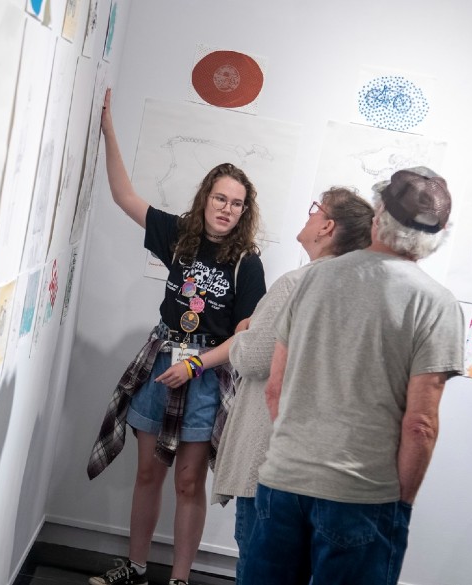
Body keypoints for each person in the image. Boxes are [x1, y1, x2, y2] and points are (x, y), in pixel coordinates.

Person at [243, 167, 465, 584]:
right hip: (362, 495)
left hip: (283, 483)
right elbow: (420, 425)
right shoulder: (436, 305)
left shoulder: (313, 278)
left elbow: (276, 389)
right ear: (438, 235)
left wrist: (300, 456)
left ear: (378, 215)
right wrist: (399, 504)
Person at [86, 88, 266, 585]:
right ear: (205, 197)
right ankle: (136, 565)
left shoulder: (247, 264)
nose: (226, 209)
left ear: (244, 211)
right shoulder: (178, 235)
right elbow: (124, 196)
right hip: (162, 362)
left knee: (189, 481)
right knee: (149, 473)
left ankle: (181, 578)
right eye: (220, 198)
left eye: (236, 204)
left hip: (205, 375)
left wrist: (197, 365)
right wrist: (106, 128)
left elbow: (244, 339)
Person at [155, 187, 375, 584]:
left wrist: (243, 331)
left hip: (272, 455)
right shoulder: (358, 290)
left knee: (260, 561)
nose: (308, 216)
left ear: (327, 226)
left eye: (316, 210)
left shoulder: (295, 284)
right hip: (317, 458)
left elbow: (254, 359)